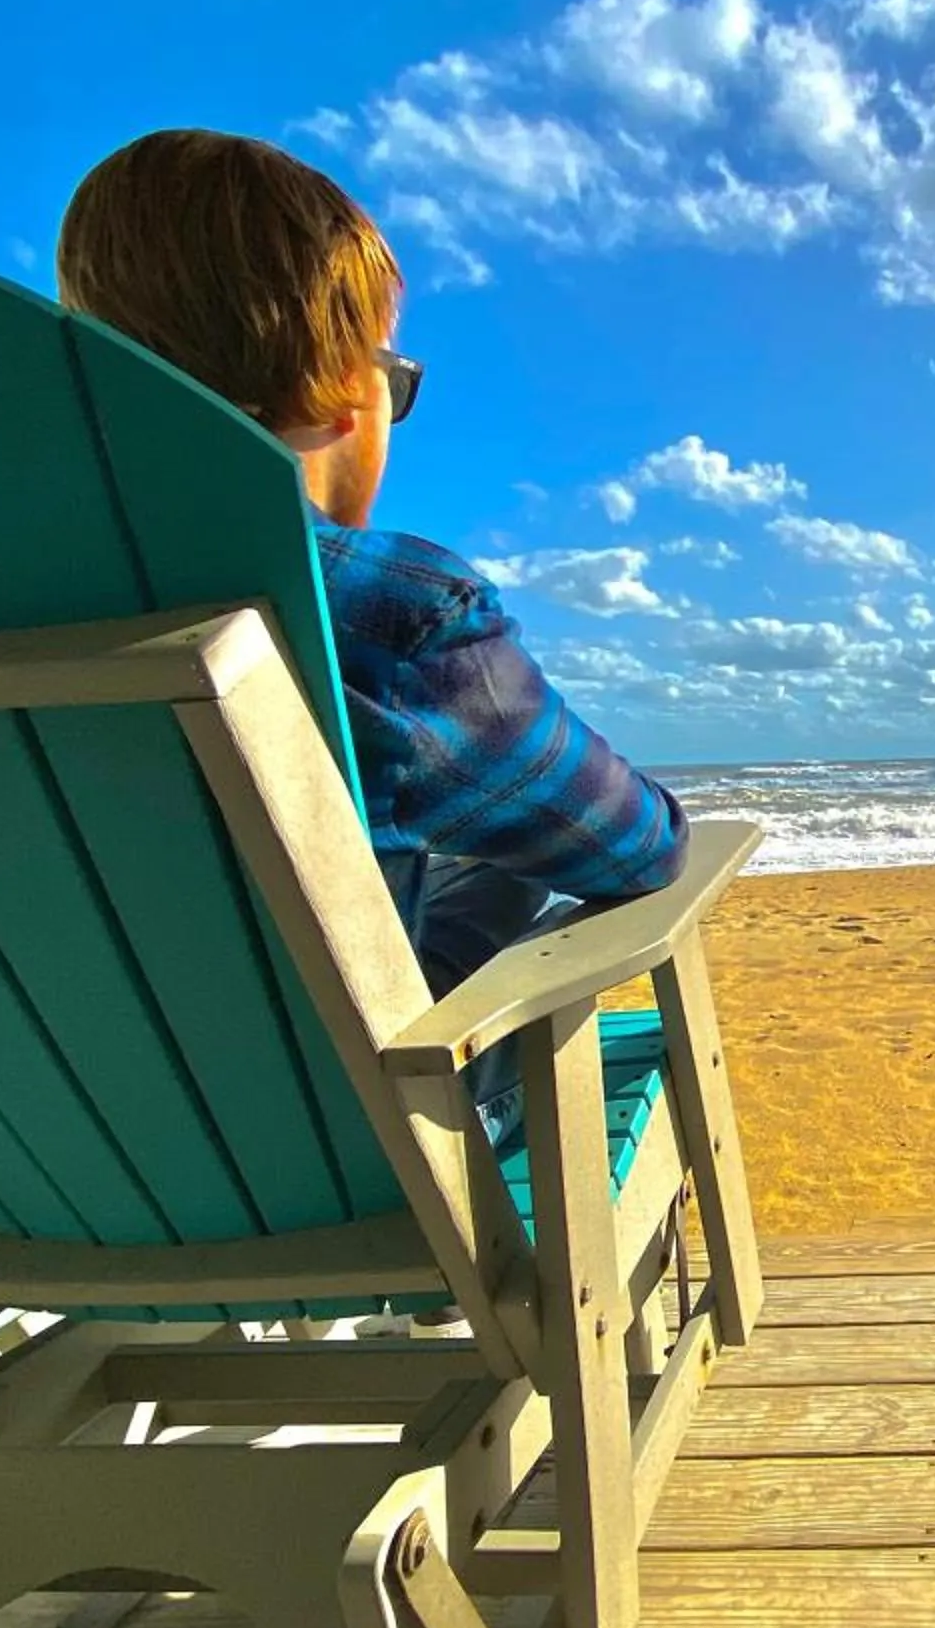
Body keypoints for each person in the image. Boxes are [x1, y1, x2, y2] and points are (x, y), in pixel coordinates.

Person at [56, 130, 689, 1071]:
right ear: (343, 386)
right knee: (524, 862)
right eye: (394, 375)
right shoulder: (396, 619)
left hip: (38, 1115)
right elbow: (637, 847)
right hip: (347, 1124)